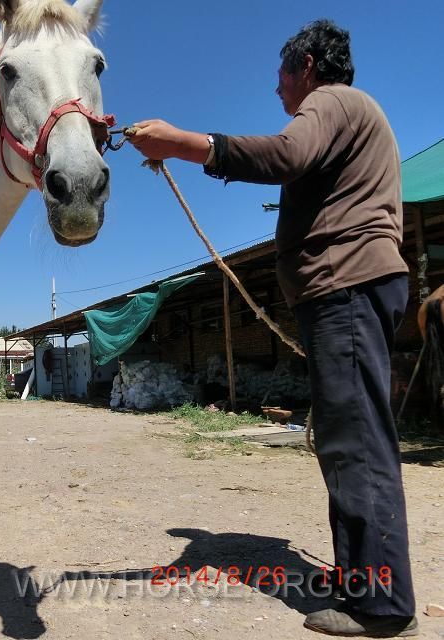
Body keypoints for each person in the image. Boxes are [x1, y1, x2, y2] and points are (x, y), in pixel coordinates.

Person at [129, 19, 417, 638]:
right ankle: (360, 583)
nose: (278, 90)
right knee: (349, 441)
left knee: (356, 445)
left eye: (283, 76)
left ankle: (383, 606)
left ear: (307, 66)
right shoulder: (352, 112)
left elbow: (286, 154)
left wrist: (184, 143)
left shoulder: (331, 102)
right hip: (347, 293)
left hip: (346, 289)